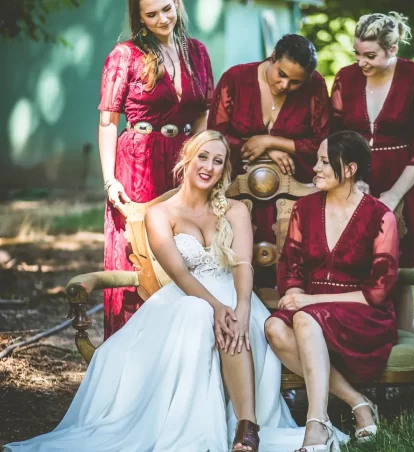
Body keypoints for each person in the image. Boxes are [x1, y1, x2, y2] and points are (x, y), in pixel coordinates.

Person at [4, 131, 349, 452]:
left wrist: (243, 307)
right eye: (203, 157)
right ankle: (219, 424)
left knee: (235, 321)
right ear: (187, 156)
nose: (209, 167)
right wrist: (217, 307)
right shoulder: (160, 214)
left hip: (236, 293)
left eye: (218, 161)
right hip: (186, 298)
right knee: (199, 313)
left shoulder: (236, 210)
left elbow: (243, 264)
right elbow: (180, 273)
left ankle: (248, 424)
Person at [265, 131, 399, 451]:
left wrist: (310, 300)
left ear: (350, 169)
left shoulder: (381, 216)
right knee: (273, 326)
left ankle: (317, 422)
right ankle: (358, 401)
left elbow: (377, 291)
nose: (315, 168)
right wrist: (296, 292)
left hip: (362, 313)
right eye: (318, 160)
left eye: (325, 161)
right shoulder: (305, 208)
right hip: (313, 309)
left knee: (305, 319)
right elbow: (291, 267)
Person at [98, 0, 213, 338]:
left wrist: (204, 160)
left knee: (188, 249)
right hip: (138, 162)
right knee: (140, 251)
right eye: (152, 14)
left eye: (167, 8)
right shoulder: (125, 55)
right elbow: (107, 122)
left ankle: (183, 347)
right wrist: (109, 179)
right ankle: (133, 347)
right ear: (140, 18)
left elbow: (202, 114)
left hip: (184, 161)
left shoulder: (197, 51)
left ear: (176, 2)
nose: (163, 19)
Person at [331, 12, 414, 343]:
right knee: (358, 261)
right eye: (356, 53)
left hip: (406, 178)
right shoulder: (344, 78)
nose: (361, 62)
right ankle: (379, 332)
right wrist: (353, 180)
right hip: (357, 178)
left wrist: (395, 195)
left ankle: (408, 330)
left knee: (403, 262)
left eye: (370, 55)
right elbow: (336, 134)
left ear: (393, 48)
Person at [208, 34, 331, 248]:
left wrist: (270, 142)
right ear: (272, 57)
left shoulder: (315, 84)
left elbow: (323, 141)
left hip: (297, 194)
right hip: (237, 191)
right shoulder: (236, 79)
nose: (285, 85)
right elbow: (215, 136)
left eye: (295, 82)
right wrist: (268, 151)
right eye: (281, 74)